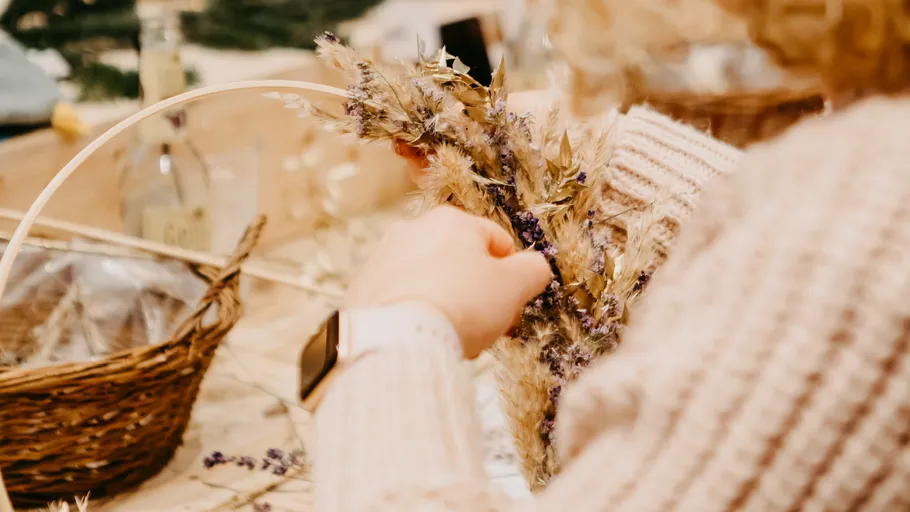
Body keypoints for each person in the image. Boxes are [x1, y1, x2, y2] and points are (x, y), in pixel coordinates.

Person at [313, 1, 910, 509]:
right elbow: (825, 225)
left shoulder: (856, 247)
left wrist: (391, 335)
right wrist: (602, 158)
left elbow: (844, 254)